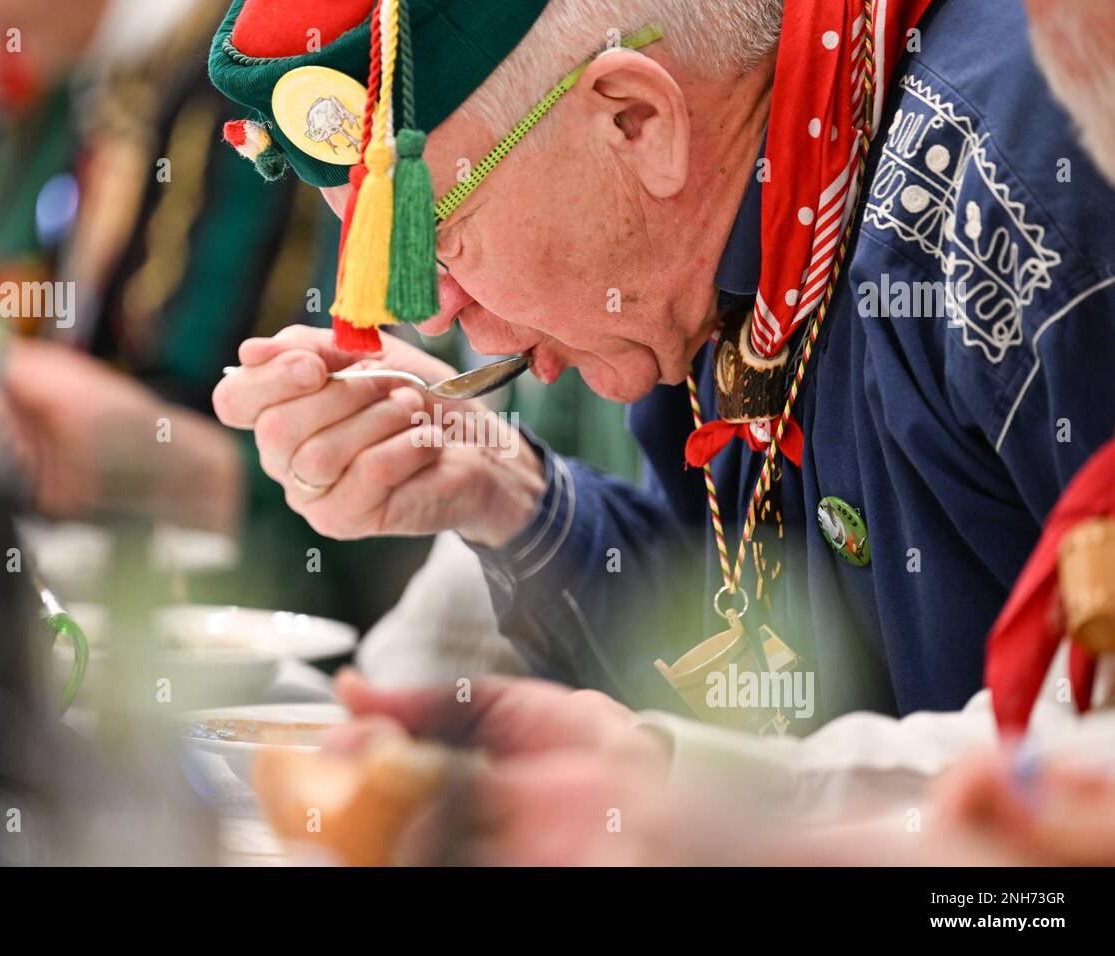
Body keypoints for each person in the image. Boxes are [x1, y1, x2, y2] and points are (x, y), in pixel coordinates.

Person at [204, 0, 1115, 863]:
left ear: (637, 119)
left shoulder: (1029, 182)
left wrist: (684, 785)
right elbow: (742, 646)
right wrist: (505, 490)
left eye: (435, 241)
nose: (431, 316)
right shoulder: (725, 240)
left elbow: (1082, 789)